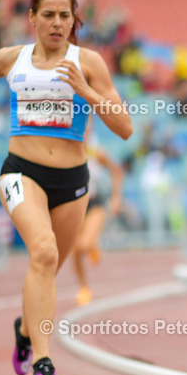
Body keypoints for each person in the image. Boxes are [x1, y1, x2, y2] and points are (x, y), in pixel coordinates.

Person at [0, 0, 132, 375]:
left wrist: (85, 90)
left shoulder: (89, 62)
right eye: (48, 15)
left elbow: (124, 127)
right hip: (22, 171)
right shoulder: (11, 59)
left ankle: (25, 328)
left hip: (73, 182)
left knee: (48, 270)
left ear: (74, 19)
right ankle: (42, 358)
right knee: (43, 251)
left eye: (65, 15)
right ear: (32, 19)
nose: (57, 23)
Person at [72, 120, 125, 306]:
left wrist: (116, 197)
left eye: (88, 127)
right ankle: (84, 287)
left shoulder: (96, 152)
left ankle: (92, 244)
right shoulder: (66, 150)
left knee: (84, 245)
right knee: (76, 251)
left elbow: (117, 171)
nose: (85, 130)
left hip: (94, 204)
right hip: (73, 207)